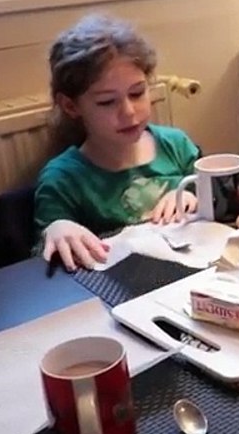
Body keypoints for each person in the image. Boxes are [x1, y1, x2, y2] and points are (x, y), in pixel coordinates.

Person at [35, 14, 203, 271]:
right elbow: (45, 259)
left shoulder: (176, 146)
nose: (129, 112)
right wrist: (56, 229)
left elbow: (216, 200)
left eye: (137, 93)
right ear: (71, 106)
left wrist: (192, 195)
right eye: (106, 102)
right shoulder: (64, 179)